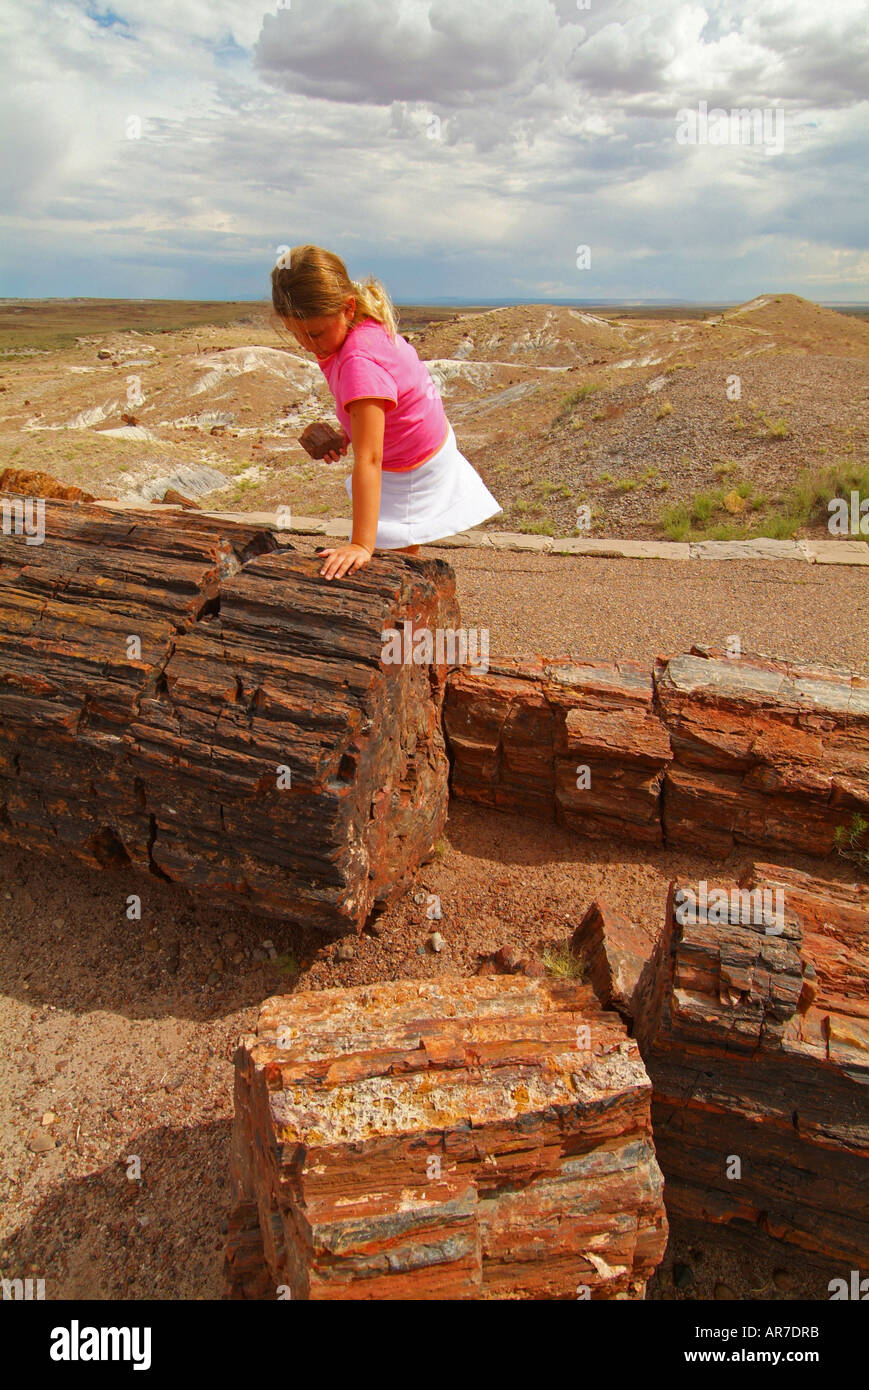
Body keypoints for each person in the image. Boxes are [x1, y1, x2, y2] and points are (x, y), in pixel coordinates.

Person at [271, 245, 502, 581]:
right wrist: (347, 434)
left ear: (347, 308)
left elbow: (370, 460)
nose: (308, 344)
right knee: (390, 554)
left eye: (315, 333)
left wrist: (361, 545)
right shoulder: (357, 328)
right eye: (297, 335)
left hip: (412, 465)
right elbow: (383, 403)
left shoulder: (358, 362)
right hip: (424, 441)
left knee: (387, 564)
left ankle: (404, 624)